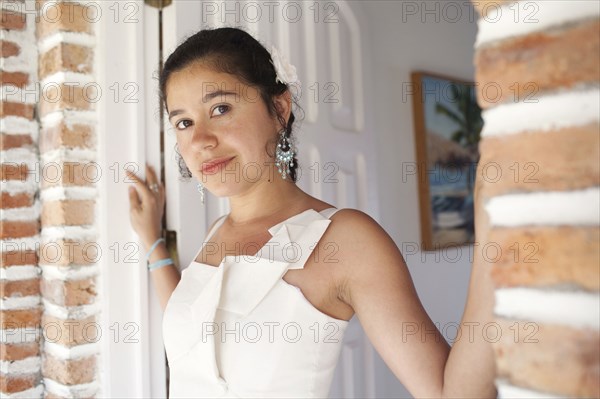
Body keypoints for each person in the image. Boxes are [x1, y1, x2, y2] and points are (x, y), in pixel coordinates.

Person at [126, 27, 496, 398]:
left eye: (220, 109)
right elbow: (193, 325)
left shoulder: (346, 240)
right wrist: (151, 241)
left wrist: (494, 237)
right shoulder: (218, 231)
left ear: (279, 109)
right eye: (183, 122)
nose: (200, 140)